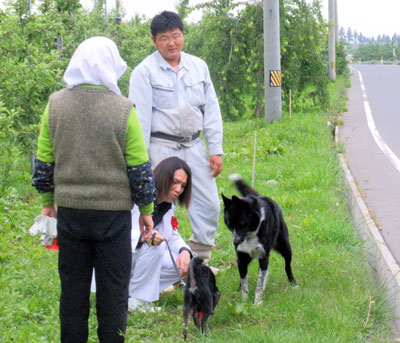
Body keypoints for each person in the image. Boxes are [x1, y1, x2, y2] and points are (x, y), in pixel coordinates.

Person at [32, 37, 156, 343]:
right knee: (113, 293)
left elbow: (44, 165)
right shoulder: (124, 109)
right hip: (113, 217)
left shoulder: (56, 104)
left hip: (71, 213)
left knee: (72, 292)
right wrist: (147, 212)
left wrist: (48, 204)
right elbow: (139, 169)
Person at [129, 11, 223, 265]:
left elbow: (211, 109)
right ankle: (155, 264)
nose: (171, 43)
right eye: (164, 38)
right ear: (154, 41)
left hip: (194, 145)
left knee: (209, 204)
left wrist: (215, 149)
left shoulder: (198, 67)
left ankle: (197, 260)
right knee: (157, 205)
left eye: (176, 36)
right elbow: (140, 121)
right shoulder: (144, 72)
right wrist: (142, 161)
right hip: (161, 147)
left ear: (183, 36)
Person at [128, 156, 193, 312]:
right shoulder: (138, 195)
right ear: (164, 177)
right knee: (155, 246)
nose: (178, 190)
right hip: (119, 254)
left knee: (188, 262)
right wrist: (144, 237)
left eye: (183, 186)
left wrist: (184, 251)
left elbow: (170, 234)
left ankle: (127, 294)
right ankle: (140, 301)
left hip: (139, 256)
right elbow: (115, 229)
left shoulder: (167, 205)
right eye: (175, 182)